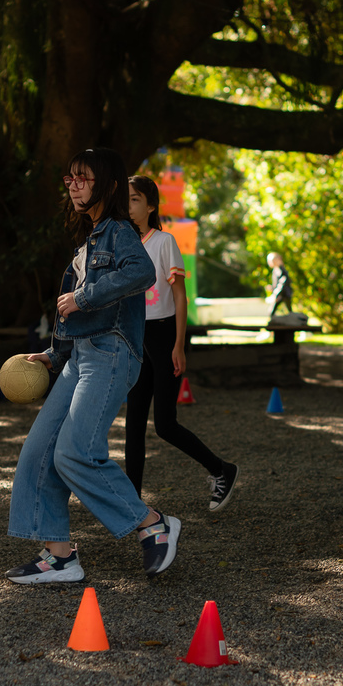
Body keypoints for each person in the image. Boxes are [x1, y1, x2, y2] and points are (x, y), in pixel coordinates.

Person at [6, 148, 178, 585]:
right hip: (78, 356)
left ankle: (152, 523)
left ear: (109, 184)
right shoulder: (88, 241)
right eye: (69, 179)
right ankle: (59, 556)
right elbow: (70, 316)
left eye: (83, 178)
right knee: (39, 453)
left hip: (111, 353)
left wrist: (84, 297)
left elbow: (141, 272)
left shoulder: (120, 231)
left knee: (74, 452)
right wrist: (54, 354)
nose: (73, 185)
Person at [123, 175, 239, 510]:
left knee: (165, 424)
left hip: (163, 337)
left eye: (134, 200)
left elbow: (179, 297)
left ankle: (222, 470)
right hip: (136, 339)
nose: (128, 207)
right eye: (125, 200)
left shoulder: (164, 242)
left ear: (151, 205)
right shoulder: (125, 247)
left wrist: (178, 345)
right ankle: (132, 505)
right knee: (133, 426)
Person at [266, 252, 293, 316]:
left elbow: (283, 283)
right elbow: (277, 283)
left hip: (283, 294)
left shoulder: (281, 270)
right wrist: (272, 288)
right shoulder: (275, 270)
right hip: (280, 293)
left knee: (289, 311)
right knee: (272, 312)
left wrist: (277, 294)